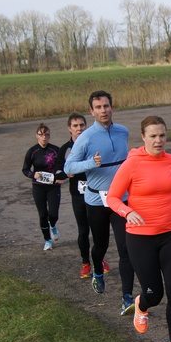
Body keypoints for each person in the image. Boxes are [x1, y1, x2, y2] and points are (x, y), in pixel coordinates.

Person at [106, 116, 171, 342]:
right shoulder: (132, 164)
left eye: (162, 135)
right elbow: (113, 198)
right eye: (153, 136)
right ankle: (141, 304)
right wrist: (128, 211)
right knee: (154, 294)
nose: (159, 140)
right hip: (140, 238)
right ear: (143, 138)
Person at [64, 90, 135, 316]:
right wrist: (90, 163)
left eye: (106, 106)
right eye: (98, 107)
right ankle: (97, 270)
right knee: (101, 246)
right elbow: (68, 168)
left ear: (112, 107)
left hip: (120, 199)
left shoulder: (123, 132)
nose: (103, 111)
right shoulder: (85, 137)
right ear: (91, 111)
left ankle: (127, 297)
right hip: (96, 199)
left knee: (126, 248)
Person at [55, 112, 110, 279]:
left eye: (82, 125)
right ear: (69, 129)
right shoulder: (65, 149)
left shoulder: (92, 143)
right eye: (75, 126)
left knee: (99, 230)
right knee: (83, 230)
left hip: (96, 193)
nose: (79, 129)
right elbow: (59, 170)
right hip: (78, 195)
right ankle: (85, 263)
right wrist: (66, 174)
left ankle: (99, 259)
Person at [22, 123, 62, 251]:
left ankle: (53, 225)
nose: (44, 137)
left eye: (46, 135)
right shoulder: (32, 152)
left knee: (53, 213)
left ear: (49, 136)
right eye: (41, 135)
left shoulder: (56, 150)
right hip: (38, 186)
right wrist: (34, 174)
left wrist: (59, 176)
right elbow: (25, 169)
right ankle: (47, 240)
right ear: (36, 136)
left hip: (53, 186)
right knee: (42, 214)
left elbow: (62, 166)